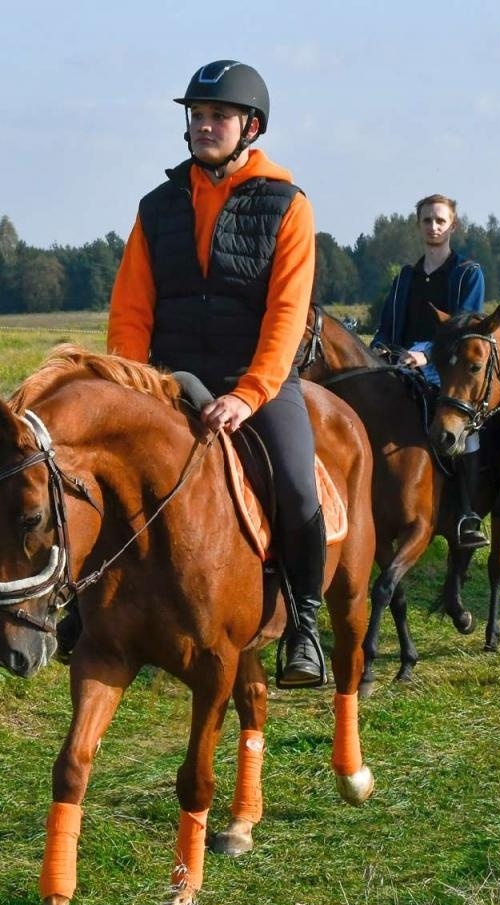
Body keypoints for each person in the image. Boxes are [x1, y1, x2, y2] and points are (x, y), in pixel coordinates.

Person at [105, 60, 324, 688]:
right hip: (167, 379)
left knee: (296, 485)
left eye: (218, 117)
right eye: (197, 116)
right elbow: (130, 309)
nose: (205, 126)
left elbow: (287, 313)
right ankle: (87, 610)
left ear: (250, 126)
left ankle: (304, 622)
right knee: (103, 472)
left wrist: (249, 395)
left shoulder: (288, 205)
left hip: (254, 377)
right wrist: (132, 380)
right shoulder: (157, 206)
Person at [371, 193, 489, 549]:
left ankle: (467, 514)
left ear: (453, 225)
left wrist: (424, 356)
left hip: (445, 368)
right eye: (427, 220)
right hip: (401, 365)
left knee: (464, 429)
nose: (433, 226)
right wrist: (376, 349)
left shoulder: (468, 273)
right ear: (418, 224)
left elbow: (462, 327)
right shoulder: (405, 277)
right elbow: (387, 326)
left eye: (440, 220)